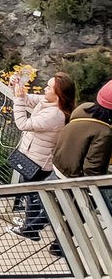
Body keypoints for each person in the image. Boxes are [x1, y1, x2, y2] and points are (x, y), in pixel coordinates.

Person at [25, 79, 112, 252]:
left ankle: (33, 226)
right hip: (74, 174)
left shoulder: (83, 109)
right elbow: (92, 166)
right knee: (84, 209)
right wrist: (93, 187)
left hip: (59, 164)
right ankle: (58, 246)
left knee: (53, 200)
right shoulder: (105, 132)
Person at [8, 71, 76, 239]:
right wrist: (16, 88)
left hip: (39, 161)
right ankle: (29, 226)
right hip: (33, 156)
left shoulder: (55, 115)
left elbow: (23, 124)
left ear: (58, 94)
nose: (45, 89)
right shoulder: (50, 103)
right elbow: (28, 99)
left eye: (49, 87)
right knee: (32, 192)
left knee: (33, 193)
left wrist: (18, 100)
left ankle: (31, 229)